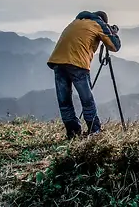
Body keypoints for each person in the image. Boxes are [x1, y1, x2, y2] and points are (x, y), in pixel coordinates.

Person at [47, 10, 121, 139]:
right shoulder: (98, 24)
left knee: (64, 101)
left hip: (57, 61)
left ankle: (73, 132)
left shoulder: (76, 22)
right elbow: (115, 46)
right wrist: (112, 32)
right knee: (87, 100)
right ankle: (94, 131)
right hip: (77, 64)